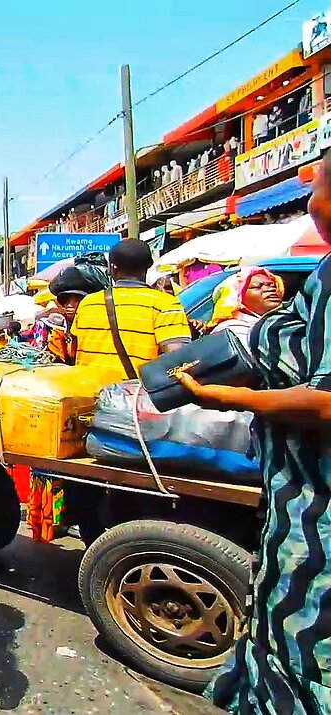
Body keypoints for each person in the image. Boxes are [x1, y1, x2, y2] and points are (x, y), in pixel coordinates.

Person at [175, 149, 331, 715]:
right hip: (299, 499)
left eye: (318, 184)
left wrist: (229, 397)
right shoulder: (317, 278)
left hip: (319, 515)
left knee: (308, 647)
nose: (309, 194)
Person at [70, 240, 191, 380]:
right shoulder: (165, 304)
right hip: (135, 397)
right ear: (148, 267)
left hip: (88, 394)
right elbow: (177, 358)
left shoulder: (88, 303)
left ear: (112, 268)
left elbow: (73, 352)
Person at [209, 267, 284, 345]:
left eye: (273, 286)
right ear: (237, 298)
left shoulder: (285, 320)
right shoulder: (233, 330)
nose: (270, 289)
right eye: (257, 287)